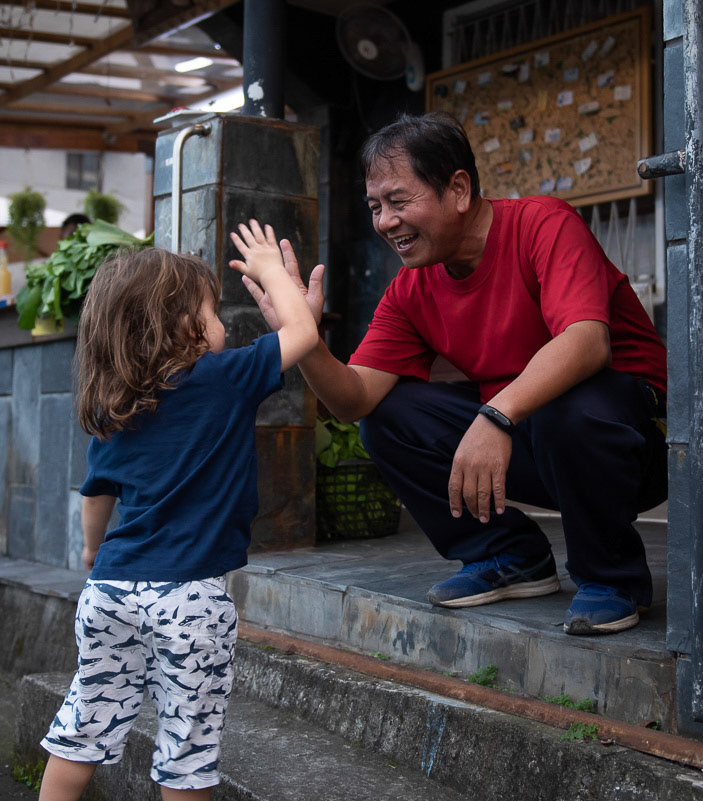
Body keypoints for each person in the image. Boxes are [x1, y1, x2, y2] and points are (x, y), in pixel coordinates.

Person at [240, 112, 667, 636]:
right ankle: (510, 556)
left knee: (568, 404)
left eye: (399, 201)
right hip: (537, 441)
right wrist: (302, 336)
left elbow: (586, 341)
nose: (385, 222)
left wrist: (495, 416)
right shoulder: (411, 289)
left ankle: (611, 578)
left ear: (459, 189)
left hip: (637, 446)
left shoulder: (543, 224)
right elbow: (353, 400)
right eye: (375, 207)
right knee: (387, 417)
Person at [37, 223, 319, 801]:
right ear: (189, 327)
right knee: (186, 748)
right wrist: (271, 272)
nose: (222, 325)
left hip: (109, 591)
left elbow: (96, 495)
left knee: (84, 722)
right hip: (189, 598)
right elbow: (302, 333)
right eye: (215, 312)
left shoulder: (117, 405)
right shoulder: (225, 378)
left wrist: (92, 550)